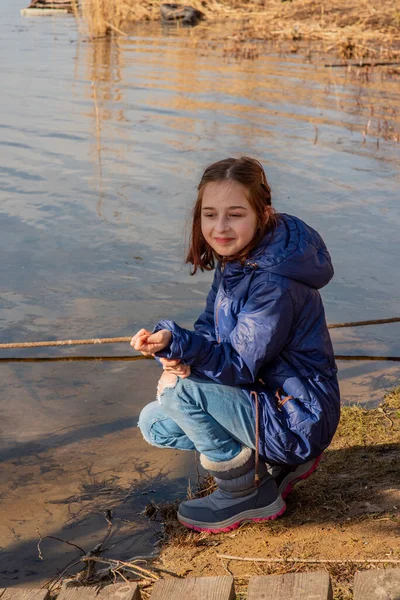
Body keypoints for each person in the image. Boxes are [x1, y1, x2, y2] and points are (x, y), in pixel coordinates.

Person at [131, 156, 340, 533]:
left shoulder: (273, 283)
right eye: (210, 214)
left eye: (235, 214)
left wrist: (182, 354)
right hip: (269, 400)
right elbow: (210, 328)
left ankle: (245, 492)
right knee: (155, 423)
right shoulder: (241, 259)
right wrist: (174, 352)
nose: (220, 227)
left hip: (299, 416)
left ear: (264, 214)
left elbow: (239, 364)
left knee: (181, 395)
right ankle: (276, 463)